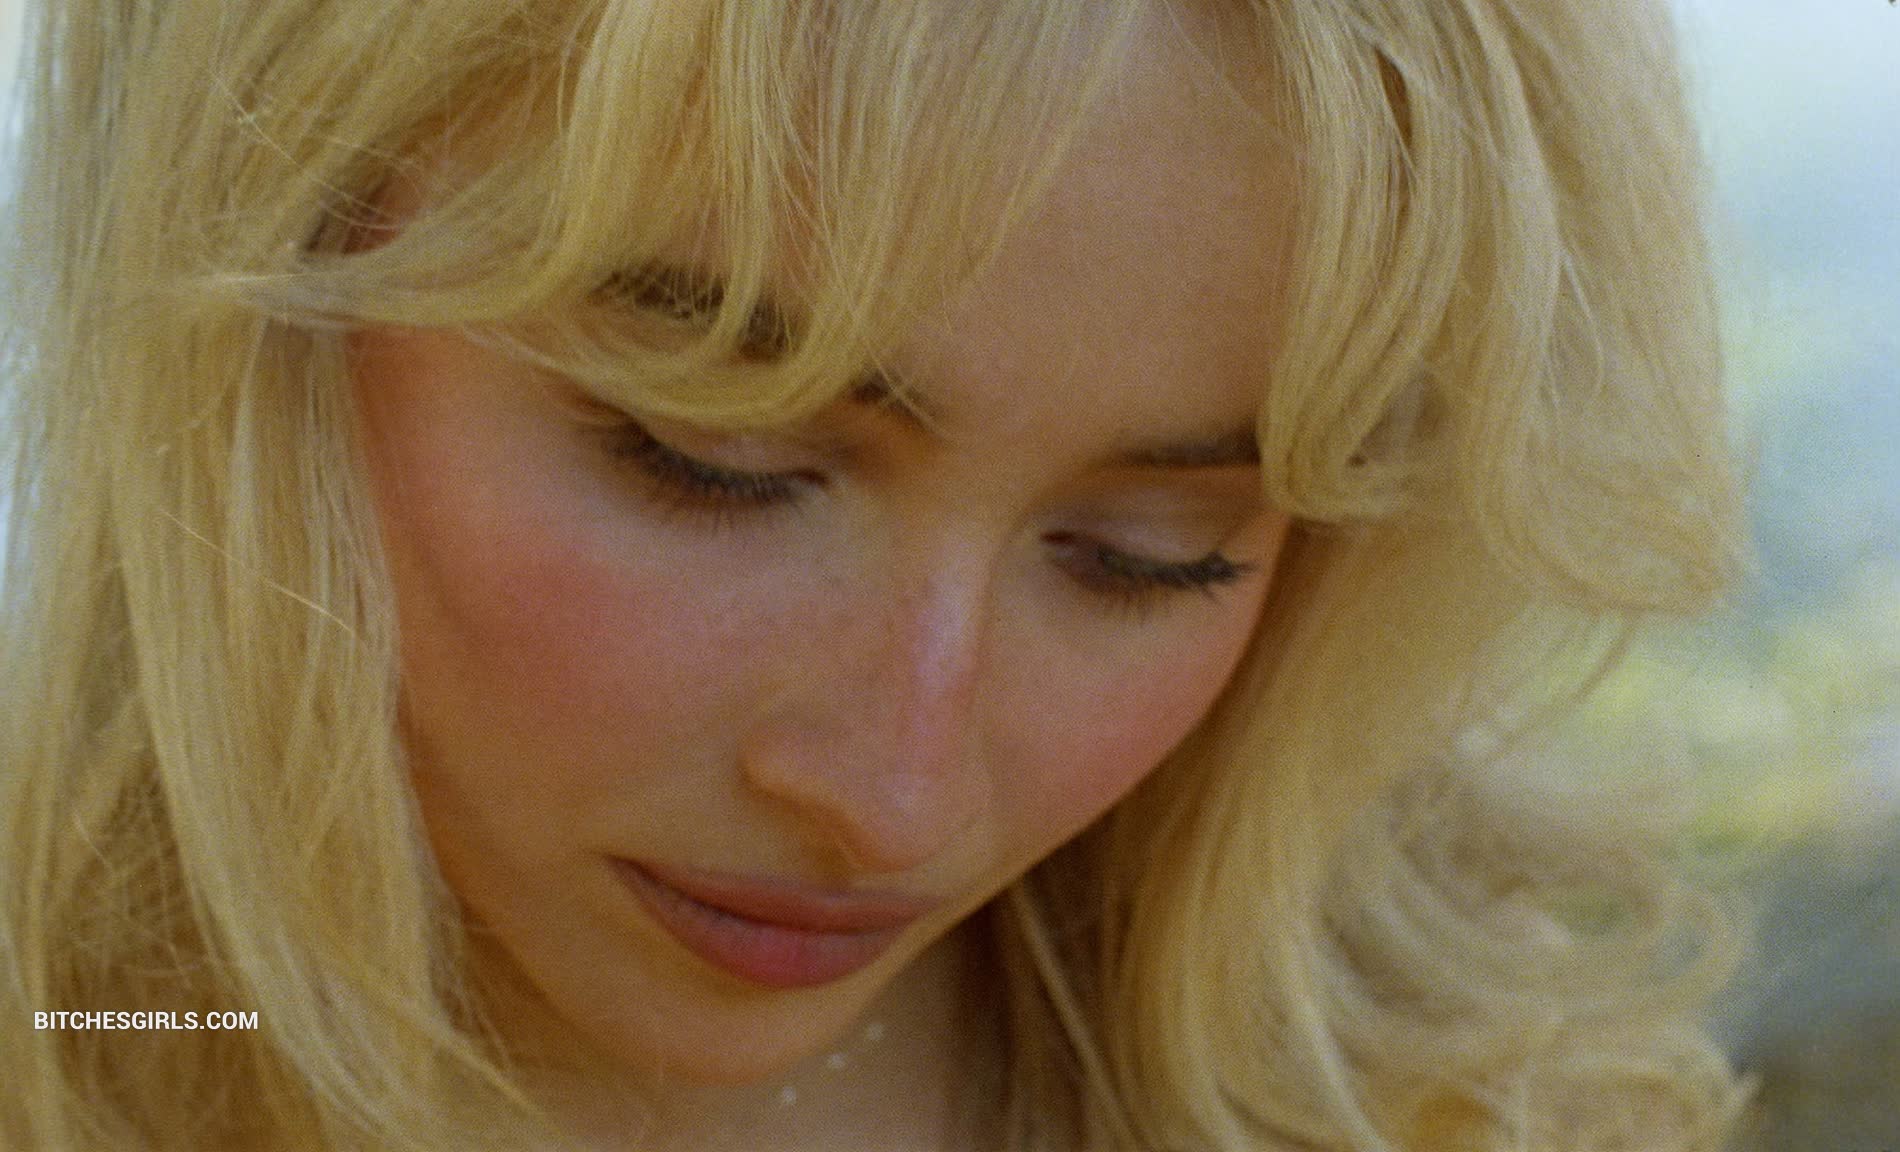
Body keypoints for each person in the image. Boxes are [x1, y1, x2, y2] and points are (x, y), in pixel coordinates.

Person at [0, 0, 1748, 1148]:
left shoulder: (1425, 1085)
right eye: (712, 459)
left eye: (1146, 559)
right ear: (263, 258)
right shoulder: (76, 1027)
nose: (893, 803)